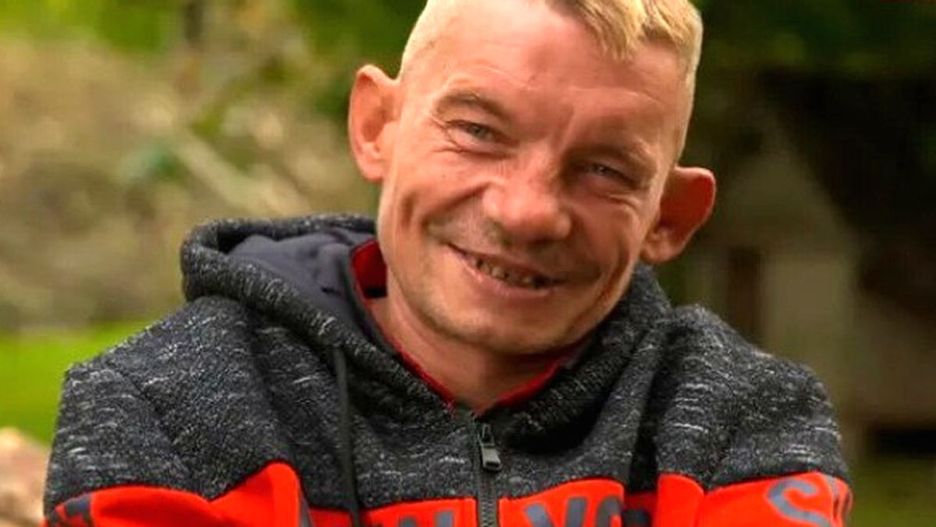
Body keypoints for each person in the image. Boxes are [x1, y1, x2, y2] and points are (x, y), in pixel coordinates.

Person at [43, 0, 851, 526]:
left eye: (605, 169)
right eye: (478, 131)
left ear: (669, 217)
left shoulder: (744, 419)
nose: (526, 211)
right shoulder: (162, 404)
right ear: (376, 126)